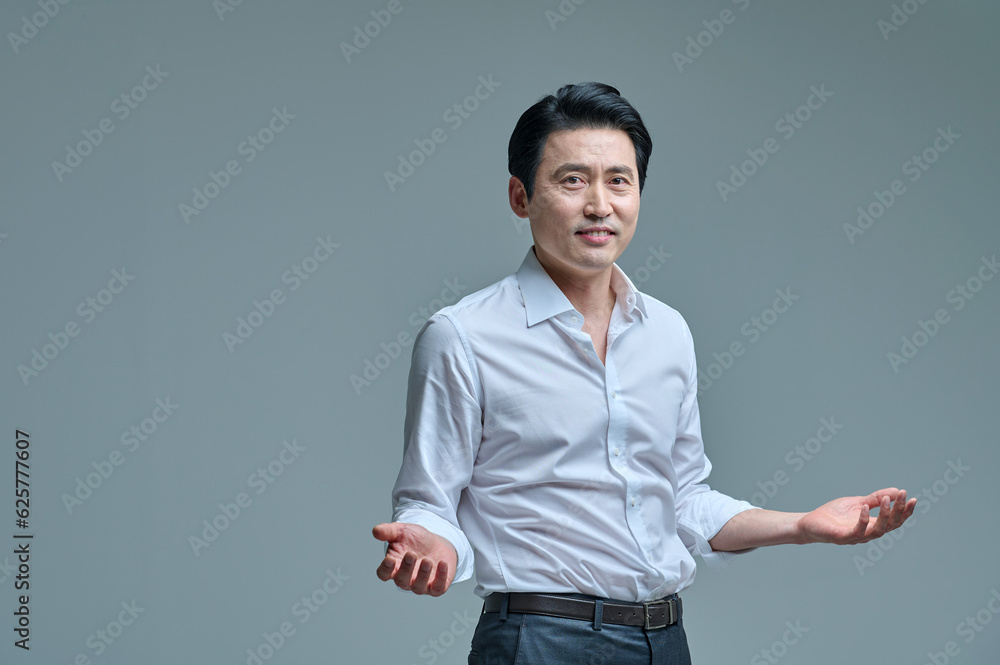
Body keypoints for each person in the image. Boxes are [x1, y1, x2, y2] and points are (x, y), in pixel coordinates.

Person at [372, 82, 917, 664]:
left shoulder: (667, 332)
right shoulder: (463, 336)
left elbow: (682, 501)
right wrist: (432, 543)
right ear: (520, 196)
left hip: (663, 639)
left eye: (619, 181)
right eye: (572, 180)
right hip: (540, 640)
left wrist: (803, 525)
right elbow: (429, 502)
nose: (599, 205)